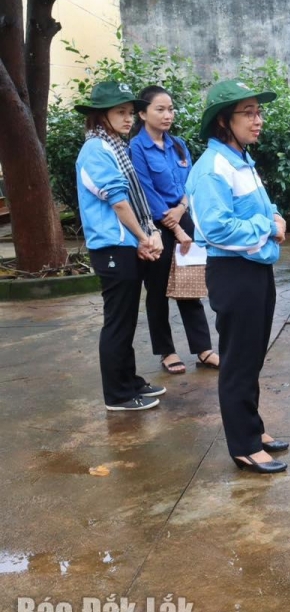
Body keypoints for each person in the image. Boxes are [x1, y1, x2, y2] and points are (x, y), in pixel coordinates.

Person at [187, 79, 289, 473]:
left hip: (256, 269)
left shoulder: (240, 160)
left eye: (258, 112)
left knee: (251, 356)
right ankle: (244, 445)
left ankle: (253, 427)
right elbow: (216, 227)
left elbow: (261, 207)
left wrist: (273, 217)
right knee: (237, 359)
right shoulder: (212, 168)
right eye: (248, 113)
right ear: (223, 121)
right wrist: (268, 227)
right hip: (234, 272)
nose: (258, 120)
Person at [74, 81, 166, 411]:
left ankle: (129, 382)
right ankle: (118, 395)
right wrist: (144, 237)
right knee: (117, 321)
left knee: (126, 320)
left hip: (124, 245)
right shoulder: (96, 151)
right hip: (112, 247)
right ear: (101, 116)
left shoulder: (115, 147)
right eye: (120, 112)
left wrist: (145, 237)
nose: (129, 119)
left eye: (130, 113)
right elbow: (118, 201)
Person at [129, 85, 218, 375]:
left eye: (170, 109)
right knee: (157, 291)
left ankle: (203, 349)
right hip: (156, 227)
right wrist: (176, 228)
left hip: (183, 218)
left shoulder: (178, 144)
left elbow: (190, 184)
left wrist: (183, 209)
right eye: (160, 109)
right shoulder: (136, 148)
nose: (168, 115)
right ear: (142, 113)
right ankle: (166, 351)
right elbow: (146, 192)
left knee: (190, 285)